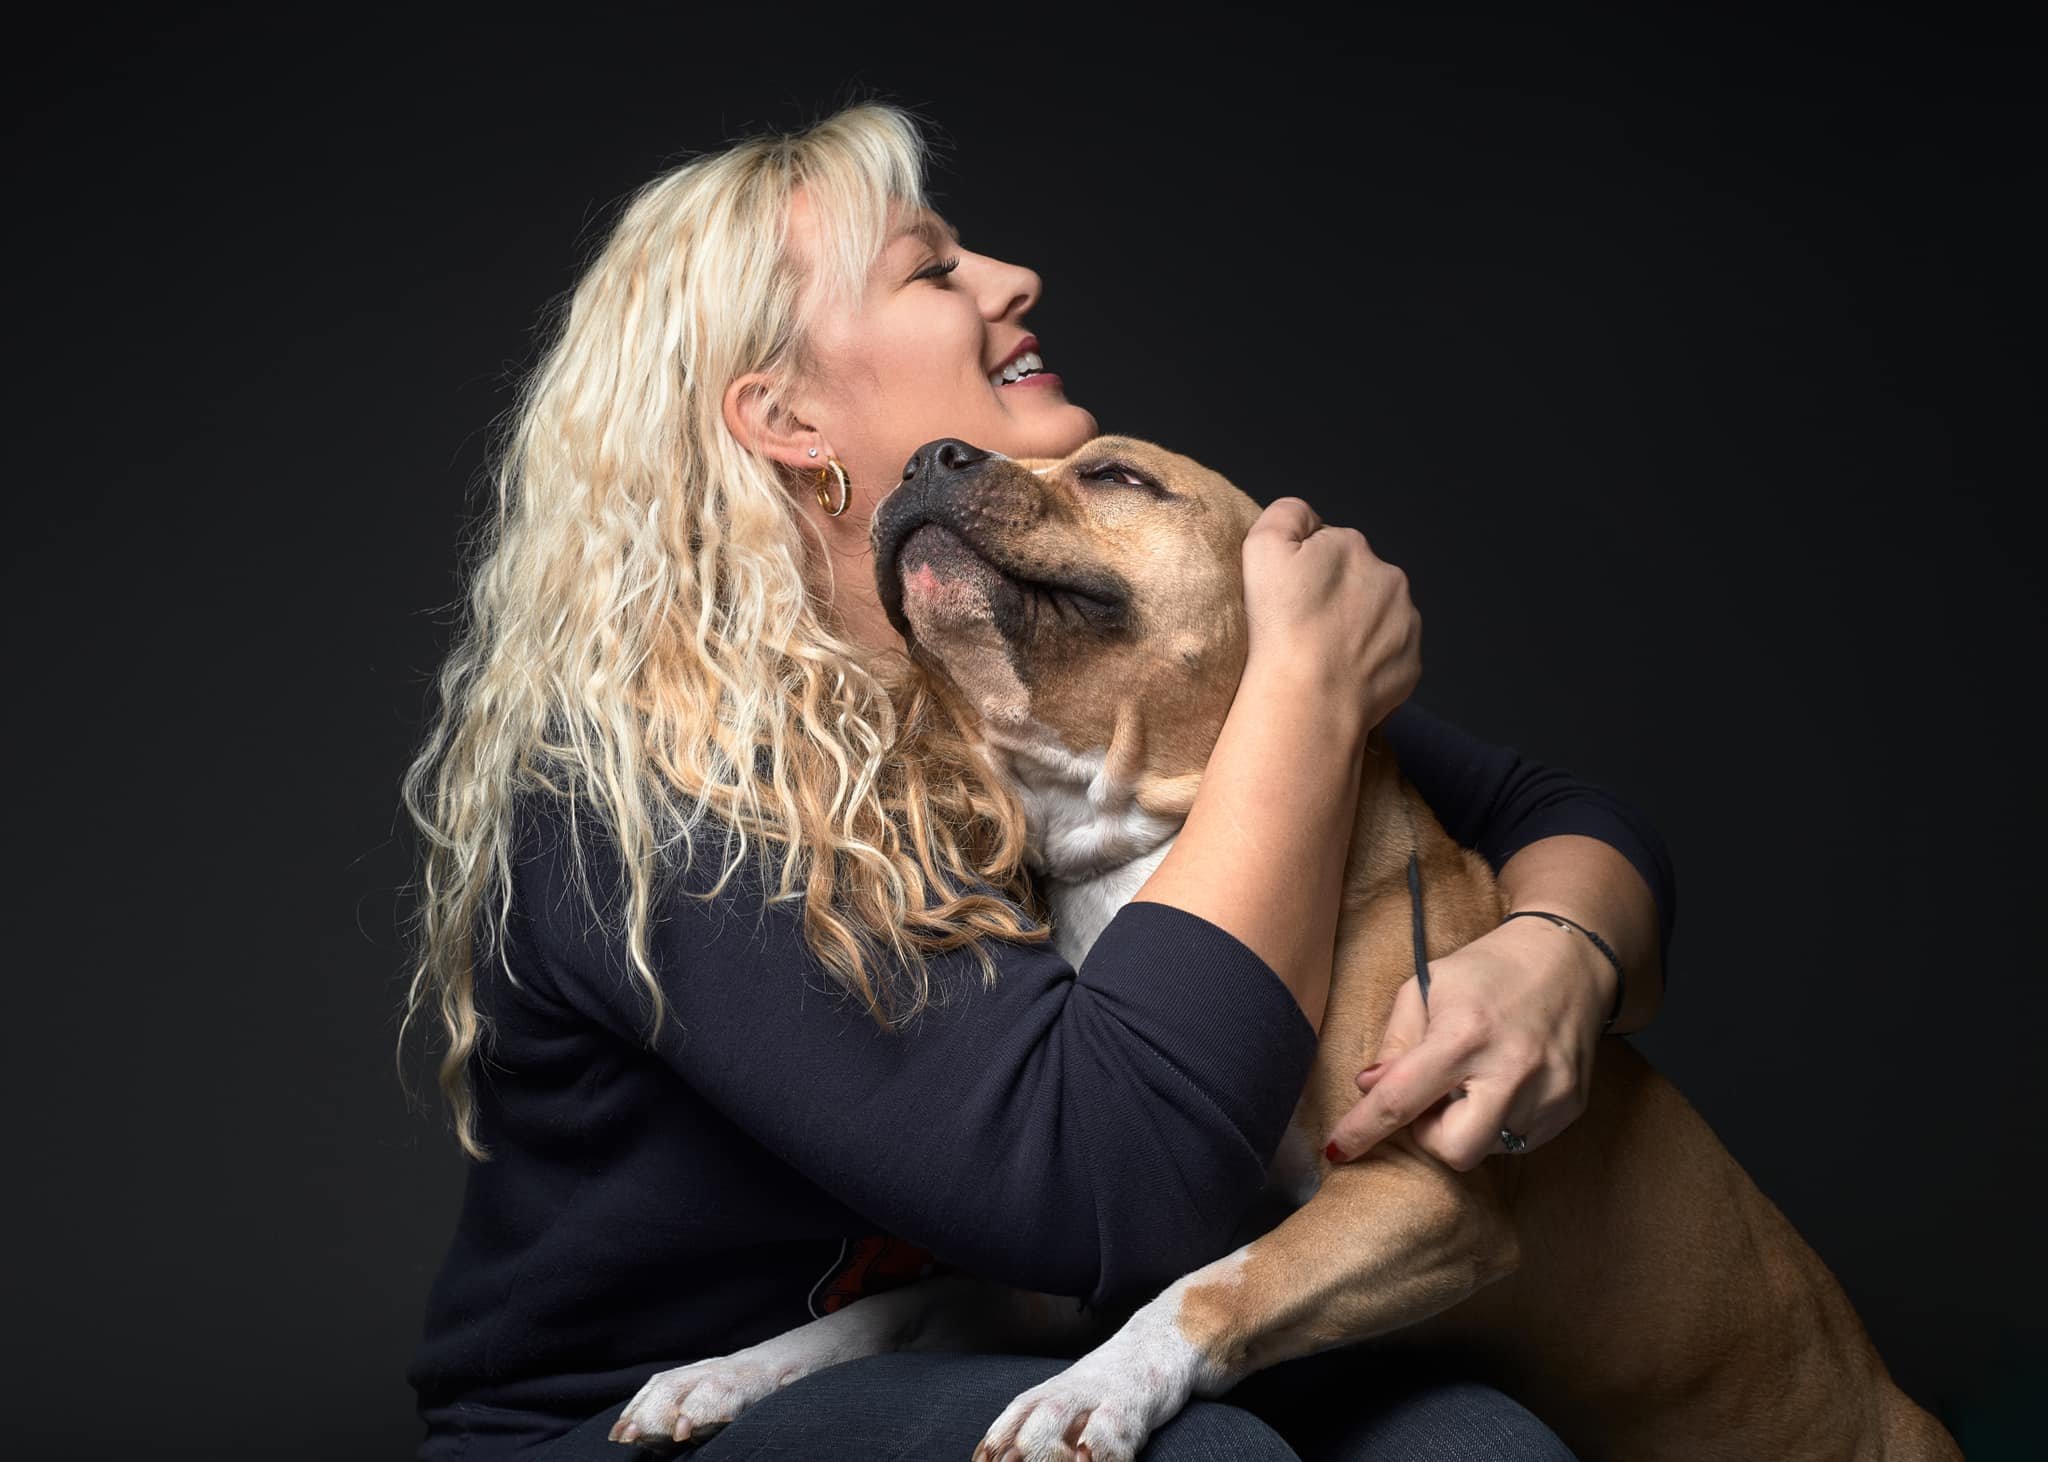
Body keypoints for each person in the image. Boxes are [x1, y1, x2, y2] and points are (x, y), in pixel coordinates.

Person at [399, 101, 1676, 1462]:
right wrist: (1301, 687)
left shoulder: (1041, 676)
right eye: (931, 268)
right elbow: (1117, 1194)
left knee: (1483, 1448)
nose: (1016, 281)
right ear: (784, 415)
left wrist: (1557, 954)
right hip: (626, 1420)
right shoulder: (667, 789)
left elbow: (1556, 816)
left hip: (1004, 1325)